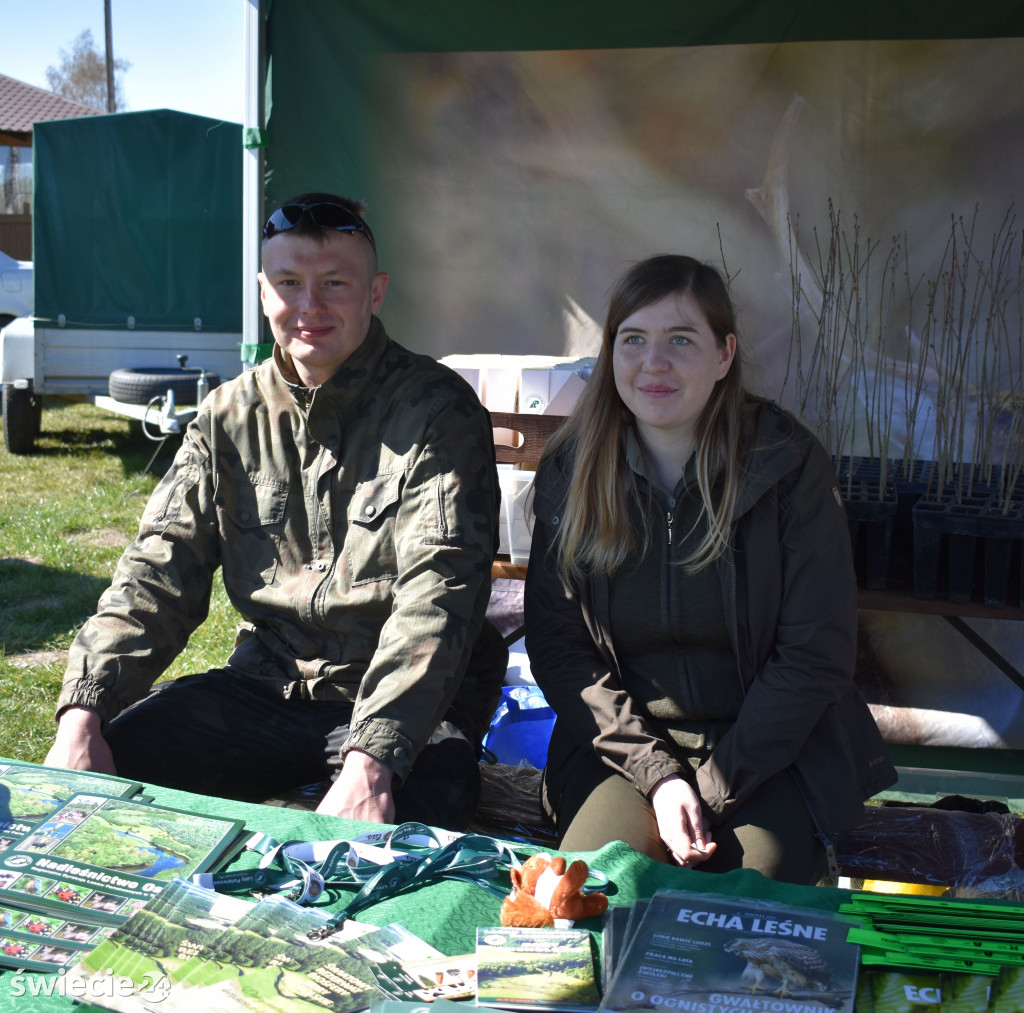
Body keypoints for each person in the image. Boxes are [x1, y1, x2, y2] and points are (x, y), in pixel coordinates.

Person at [45, 193, 506, 829]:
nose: (310, 306)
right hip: (270, 686)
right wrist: (84, 709)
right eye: (289, 283)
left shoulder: (436, 412)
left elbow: (441, 593)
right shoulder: (228, 416)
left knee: (412, 834)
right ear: (264, 293)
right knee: (102, 777)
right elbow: (158, 570)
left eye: (335, 284)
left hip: (411, 706)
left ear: (375, 293)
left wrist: (371, 760)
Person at [524, 254, 895, 883]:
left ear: (724, 355)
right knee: (599, 889)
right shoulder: (573, 469)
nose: (653, 363)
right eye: (633, 339)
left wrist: (714, 788)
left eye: (681, 340)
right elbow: (562, 649)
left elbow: (815, 653)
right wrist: (662, 779)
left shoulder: (786, 465)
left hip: (772, 753)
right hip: (624, 749)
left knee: (752, 904)